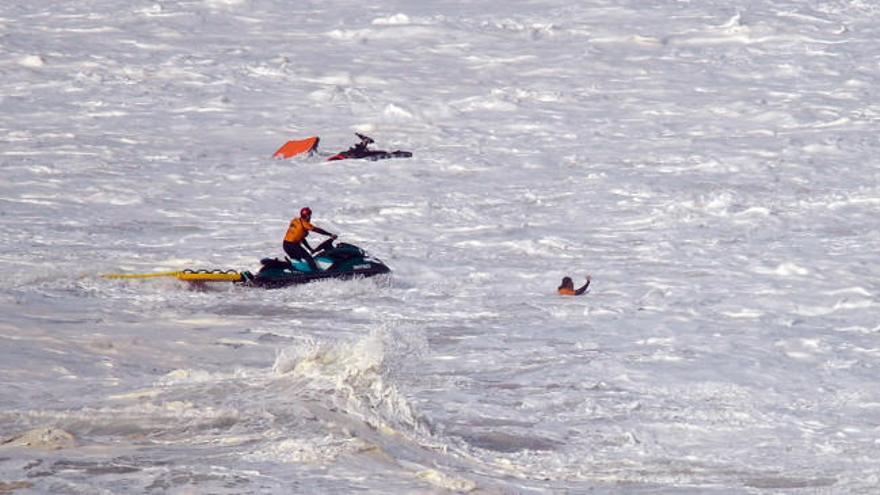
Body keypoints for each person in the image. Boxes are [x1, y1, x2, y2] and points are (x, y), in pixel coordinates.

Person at [283, 207, 337, 272]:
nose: (310, 217)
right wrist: (330, 234)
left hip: (285, 245)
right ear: (307, 216)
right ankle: (316, 273)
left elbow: (301, 238)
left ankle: (297, 272)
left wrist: (309, 249)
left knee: (297, 259)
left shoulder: (295, 220)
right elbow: (318, 230)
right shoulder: (305, 224)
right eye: (310, 216)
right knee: (308, 258)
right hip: (293, 245)